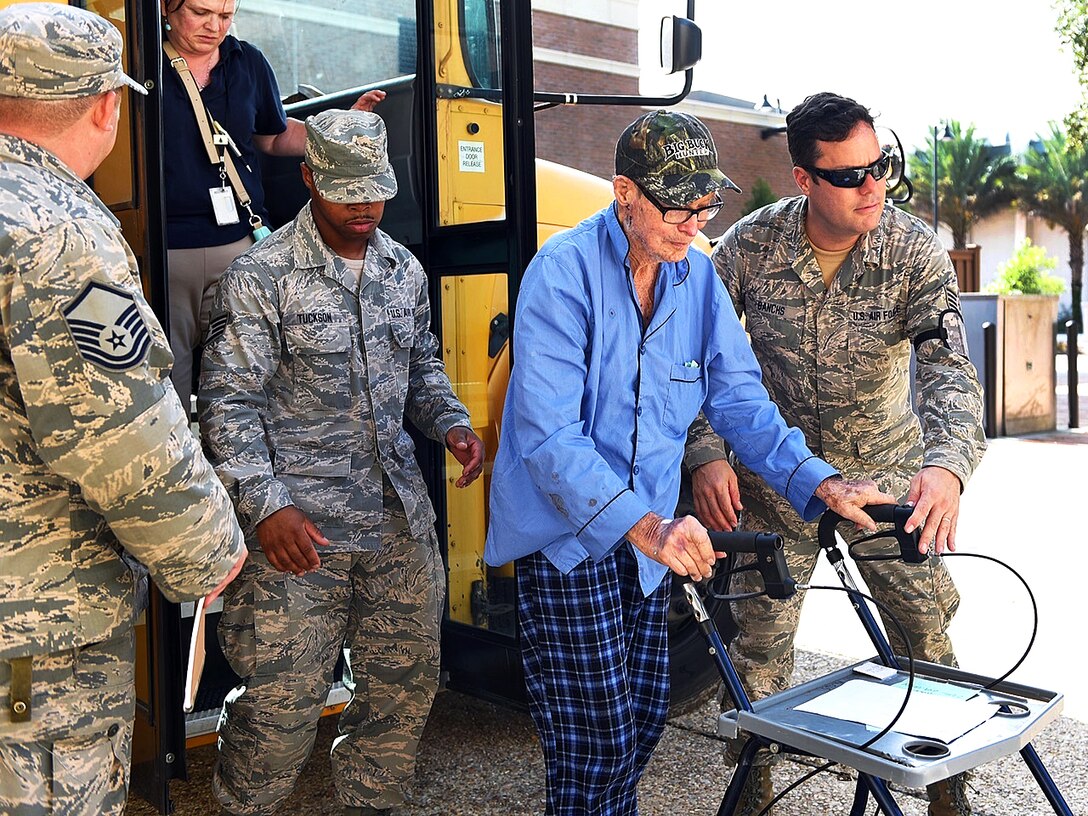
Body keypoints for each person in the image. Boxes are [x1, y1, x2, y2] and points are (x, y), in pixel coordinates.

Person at [484, 109, 896, 816]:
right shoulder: (561, 274)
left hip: (647, 547)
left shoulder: (695, 279)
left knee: (643, 725)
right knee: (595, 741)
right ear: (624, 193)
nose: (695, 225)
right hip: (569, 542)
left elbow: (740, 401)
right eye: (679, 208)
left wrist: (819, 481)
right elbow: (549, 439)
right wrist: (650, 527)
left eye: (706, 208)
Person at [685, 92, 986, 816]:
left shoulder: (912, 248)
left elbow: (949, 369)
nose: (872, 186)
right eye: (849, 175)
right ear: (804, 179)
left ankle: (947, 791)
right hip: (774, 481)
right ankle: (754, 783)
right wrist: (705, 453)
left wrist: (945, 466)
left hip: (882, 484)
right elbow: (693, 361)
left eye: (880, 167)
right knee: (758, 653)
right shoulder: (749, 250)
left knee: (925, 637)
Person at [198, 108, 484, 816]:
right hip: (300, 535)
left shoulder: (402, 269)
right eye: (347, 193)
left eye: (376, 191)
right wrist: (267, 507)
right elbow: (228, 406)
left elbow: (420, 367)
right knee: (281, 708)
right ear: (308, 178)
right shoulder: (260, 277)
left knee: (401, 690)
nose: (365, 208)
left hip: (396, 526)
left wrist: (450, 423)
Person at [0, 5, 247, 815]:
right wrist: (210, 553)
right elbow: (123, 435)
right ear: (107, 106)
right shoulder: (58, 231)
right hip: (36, 633)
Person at [160, 0, 385, 413]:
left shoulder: (249, 62)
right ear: (165, 7)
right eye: (200, 12)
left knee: (243, 377)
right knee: (169, 381)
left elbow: (273, 137)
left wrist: (337, 129)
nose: (214, 25)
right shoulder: (141, 65)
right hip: (166, 249)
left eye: (226, 16)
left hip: (240, 245)